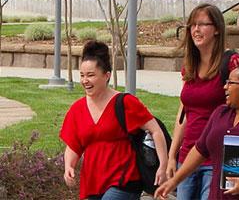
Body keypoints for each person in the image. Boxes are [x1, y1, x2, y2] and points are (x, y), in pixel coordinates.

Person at [156, 63, 239, 200]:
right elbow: (200, 150)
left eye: (230, 83)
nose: (225, 87)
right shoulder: (220, 114)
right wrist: (175, 181)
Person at [59, 40, 168, 200]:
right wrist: (69, 166)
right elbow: (74, 146)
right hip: (93, 184)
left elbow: (156, 130)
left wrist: (163, 166)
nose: (85, 80)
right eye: (82, 75)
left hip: (125, 181)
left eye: (91, 75)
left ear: (107, 75)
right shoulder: (77, 109)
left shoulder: (125, 103)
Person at [167, 3, 239, 200]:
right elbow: (184, 114)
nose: (196, 30)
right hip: (187, 157)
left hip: (217, 157)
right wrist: (171, 156)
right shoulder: (189, 67)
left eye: (202, 24)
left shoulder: (232, 62)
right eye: (192, 25)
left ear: (217, 29)